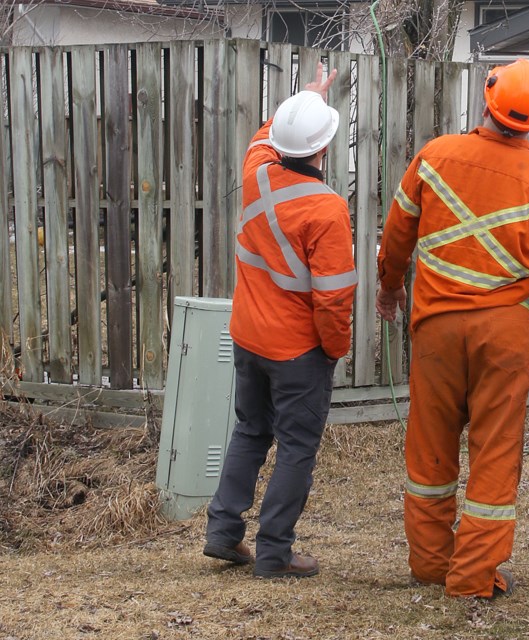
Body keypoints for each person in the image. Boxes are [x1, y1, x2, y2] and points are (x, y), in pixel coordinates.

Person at [376, 58, 529, 599]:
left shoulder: (435, 156)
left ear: (488, 97)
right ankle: (472, 578)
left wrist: (391, 287)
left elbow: (397, 235)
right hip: (506, 333)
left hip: (437, 330)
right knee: (495, 453)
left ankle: (429, 563)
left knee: (429, 449)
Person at [203, 63, 357, 579]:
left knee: (250, 430)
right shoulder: (328, 209)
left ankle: (223, 533)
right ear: (324, 150)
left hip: (248, 338)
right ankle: (274, 553)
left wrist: (306, 96)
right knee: (296, 447)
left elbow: (267, 134)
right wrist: (334, 349)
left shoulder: (255, 174)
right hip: (297, 352)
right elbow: (334, 298)